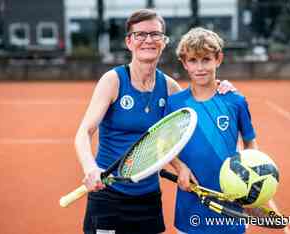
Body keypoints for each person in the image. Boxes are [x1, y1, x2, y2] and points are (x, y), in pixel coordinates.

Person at [75, 9, 235, 234]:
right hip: (109, 195)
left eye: (155, 34)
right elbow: (84, 131)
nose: (148, 40)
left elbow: (178, 132)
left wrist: (221, 88)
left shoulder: (169, 87)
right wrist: (90, 167)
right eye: (140, 35)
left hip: (148, 198)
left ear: (164, 42)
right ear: (129, 42)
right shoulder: (113, 81)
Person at [166, 27, 258, 234]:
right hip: (191, 206)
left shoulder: (235, 100)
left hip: (231, 204)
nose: (200, 67)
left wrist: (253, 183)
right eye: (193, 60)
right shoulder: (175, 104)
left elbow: (250, 144)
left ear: (218, 59)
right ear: (184, 63)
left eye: (206, 59)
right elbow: (165, 146)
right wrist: (180, 167)